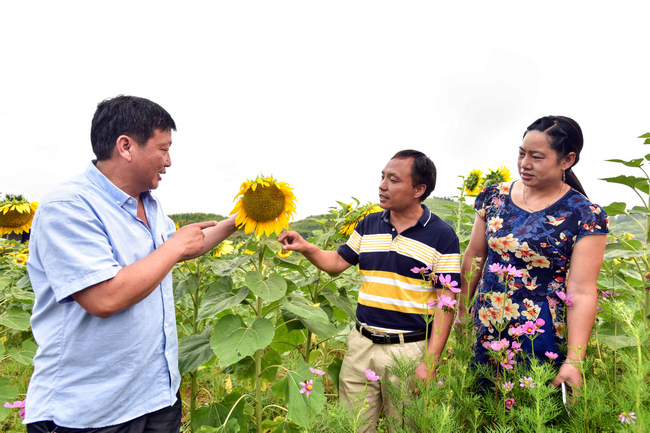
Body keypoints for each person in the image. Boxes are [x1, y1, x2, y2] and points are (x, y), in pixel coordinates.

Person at [24, 95, 238, 431]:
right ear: (126, 146)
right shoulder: (69, 206)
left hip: (156, 394)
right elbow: (104, 298)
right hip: (92, 410)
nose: (168, 161)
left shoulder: (150, 205)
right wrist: (175, 246)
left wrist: (242, 219)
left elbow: (182, 247)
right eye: (163, 149)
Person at [278, 150, 460, 432]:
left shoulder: (442, 235)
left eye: (393, 180)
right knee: (353, 426)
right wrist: (307, 247)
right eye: (383, 177)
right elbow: (337, 262)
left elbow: (446, 303)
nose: (382, 185)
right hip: (361, 345)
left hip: (408, 351)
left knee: (405, 427)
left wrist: (430, 362)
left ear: (419, 190)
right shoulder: (369, 225)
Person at [458, 115, 608, 389]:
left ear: (567, 160)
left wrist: (574, 360)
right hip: (485, 324)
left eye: (537, 157)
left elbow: (582, 291)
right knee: (478, 403)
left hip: (539, 332)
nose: (524, 164)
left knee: (534, 405)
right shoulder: (493, 197)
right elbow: (475, 256)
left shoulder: (585, 214)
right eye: (521, 153)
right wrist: (461, 312)